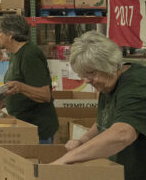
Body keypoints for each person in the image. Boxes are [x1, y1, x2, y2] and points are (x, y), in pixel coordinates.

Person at [51, 31, 146, 180]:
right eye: (83, 75)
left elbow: (122, 133)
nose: (87, 80)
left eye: (90, 73)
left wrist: (67, 159)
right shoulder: (107, 82)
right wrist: (82, 141)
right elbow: (107, 121)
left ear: (110, 65)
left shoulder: (137, 84)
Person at [0, 14, 58, 143]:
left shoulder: (30, 55)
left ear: (11, 34)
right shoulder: (15, 54)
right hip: (23, 126)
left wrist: (20, 87)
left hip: (37, 131)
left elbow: (45, 95)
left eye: (0, 31)